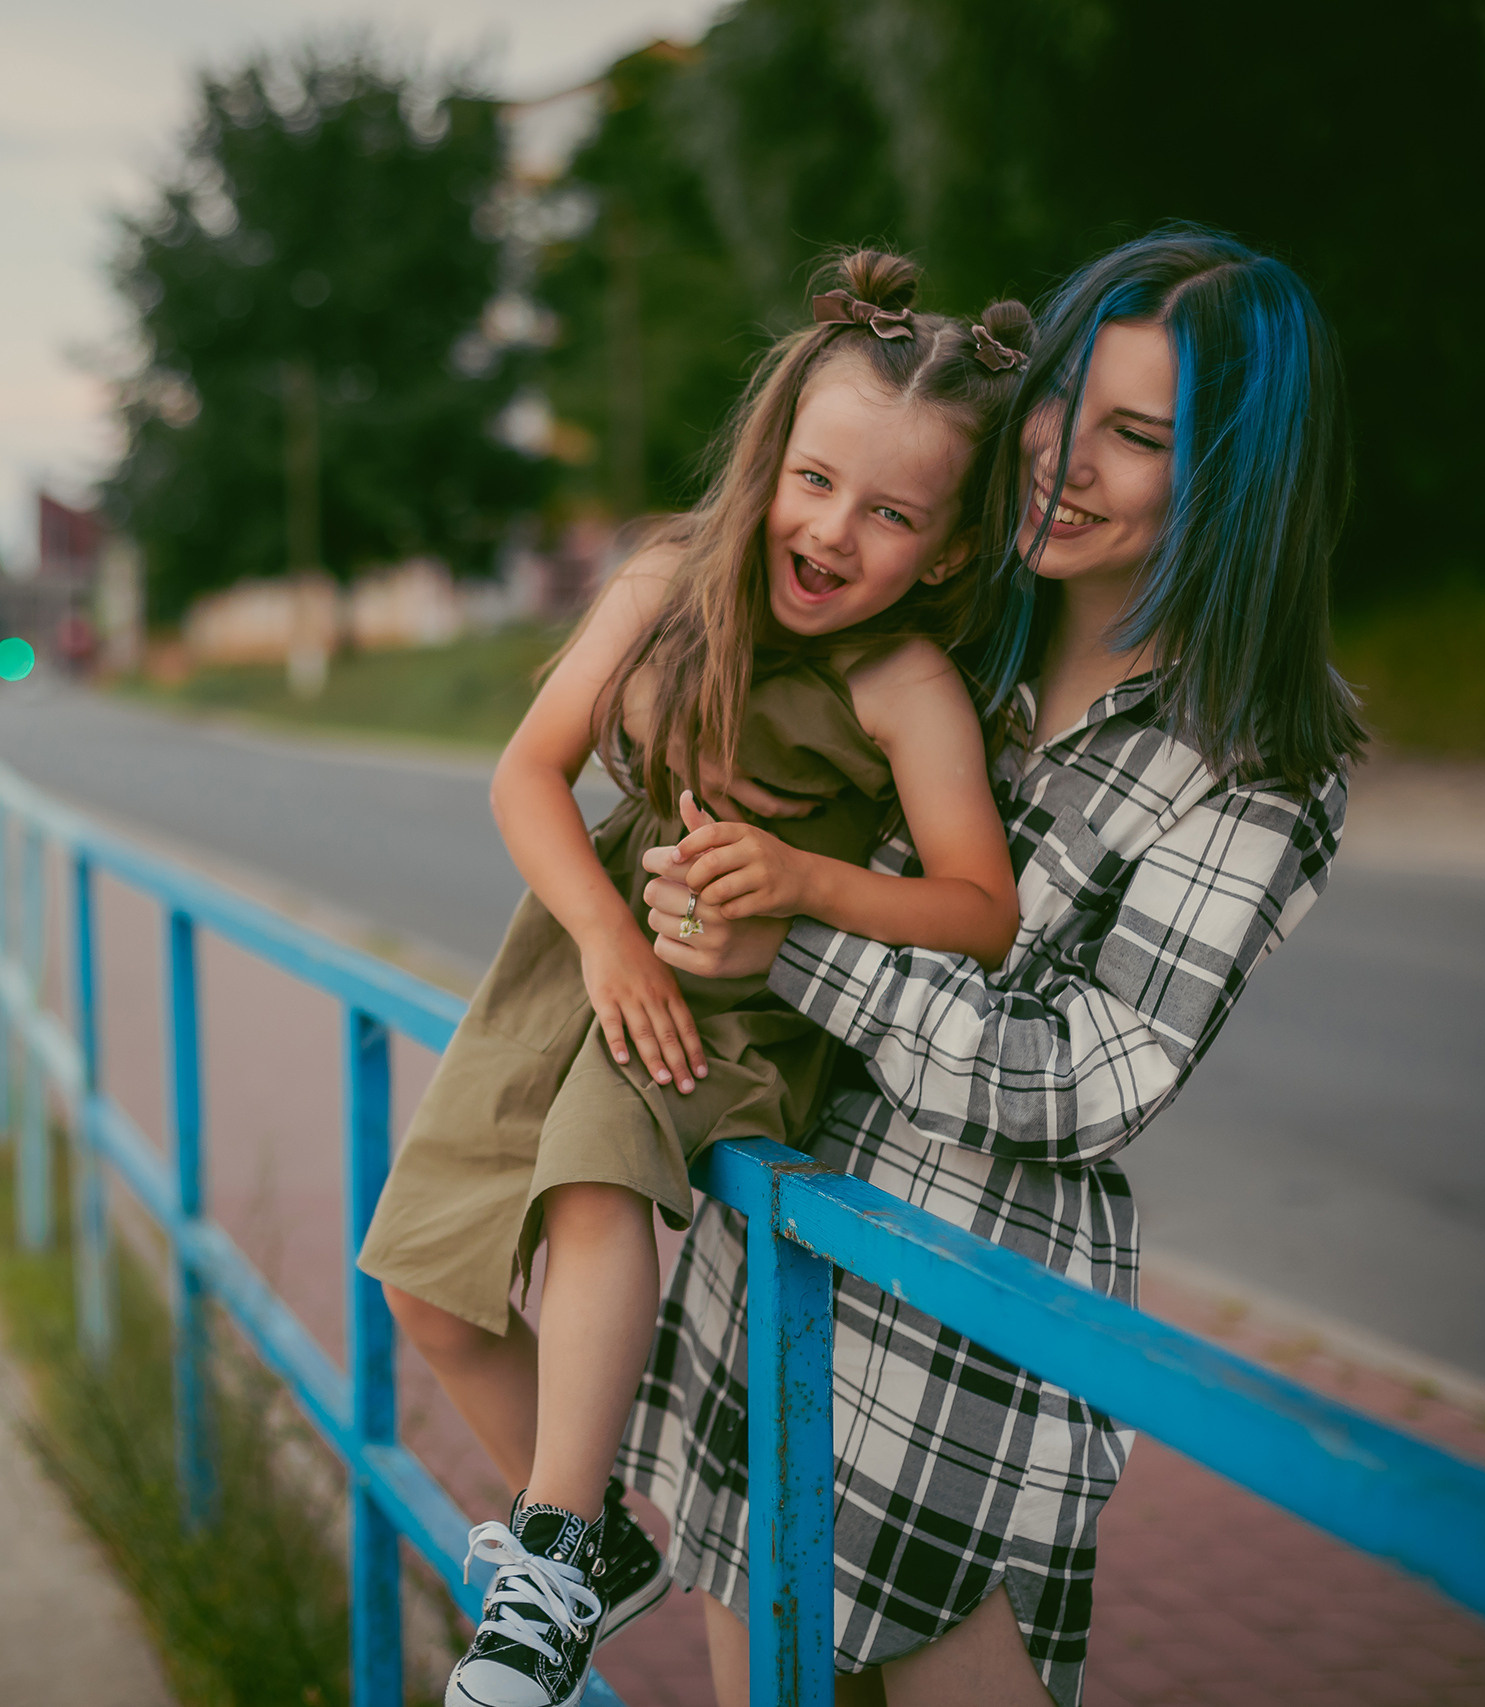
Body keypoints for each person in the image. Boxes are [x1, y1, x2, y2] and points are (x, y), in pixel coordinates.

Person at [624, 225, 1367, 1707]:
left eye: (1136, 438)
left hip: (965, 1330)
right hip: (767, 1251)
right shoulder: (948, 616)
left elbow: (1093, 1075)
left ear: (1234, 478)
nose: (1062, 464)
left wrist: (795, 943)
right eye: (1064, 407)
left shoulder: (1262, 756)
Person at [357, 249, 1033, 1707]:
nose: (836, 531)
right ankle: (599, 1539)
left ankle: (541, 1567)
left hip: (740, 1003)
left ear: (954, 551)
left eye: (893, 513)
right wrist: (602, 936)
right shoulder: (667, 583)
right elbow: (529, 773)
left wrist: (804, 884)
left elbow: (982, 907)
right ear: (769, 459)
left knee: (601, 1176)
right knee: (423, 1283)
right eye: (815, 480)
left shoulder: (899, 684)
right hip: (583, 951)